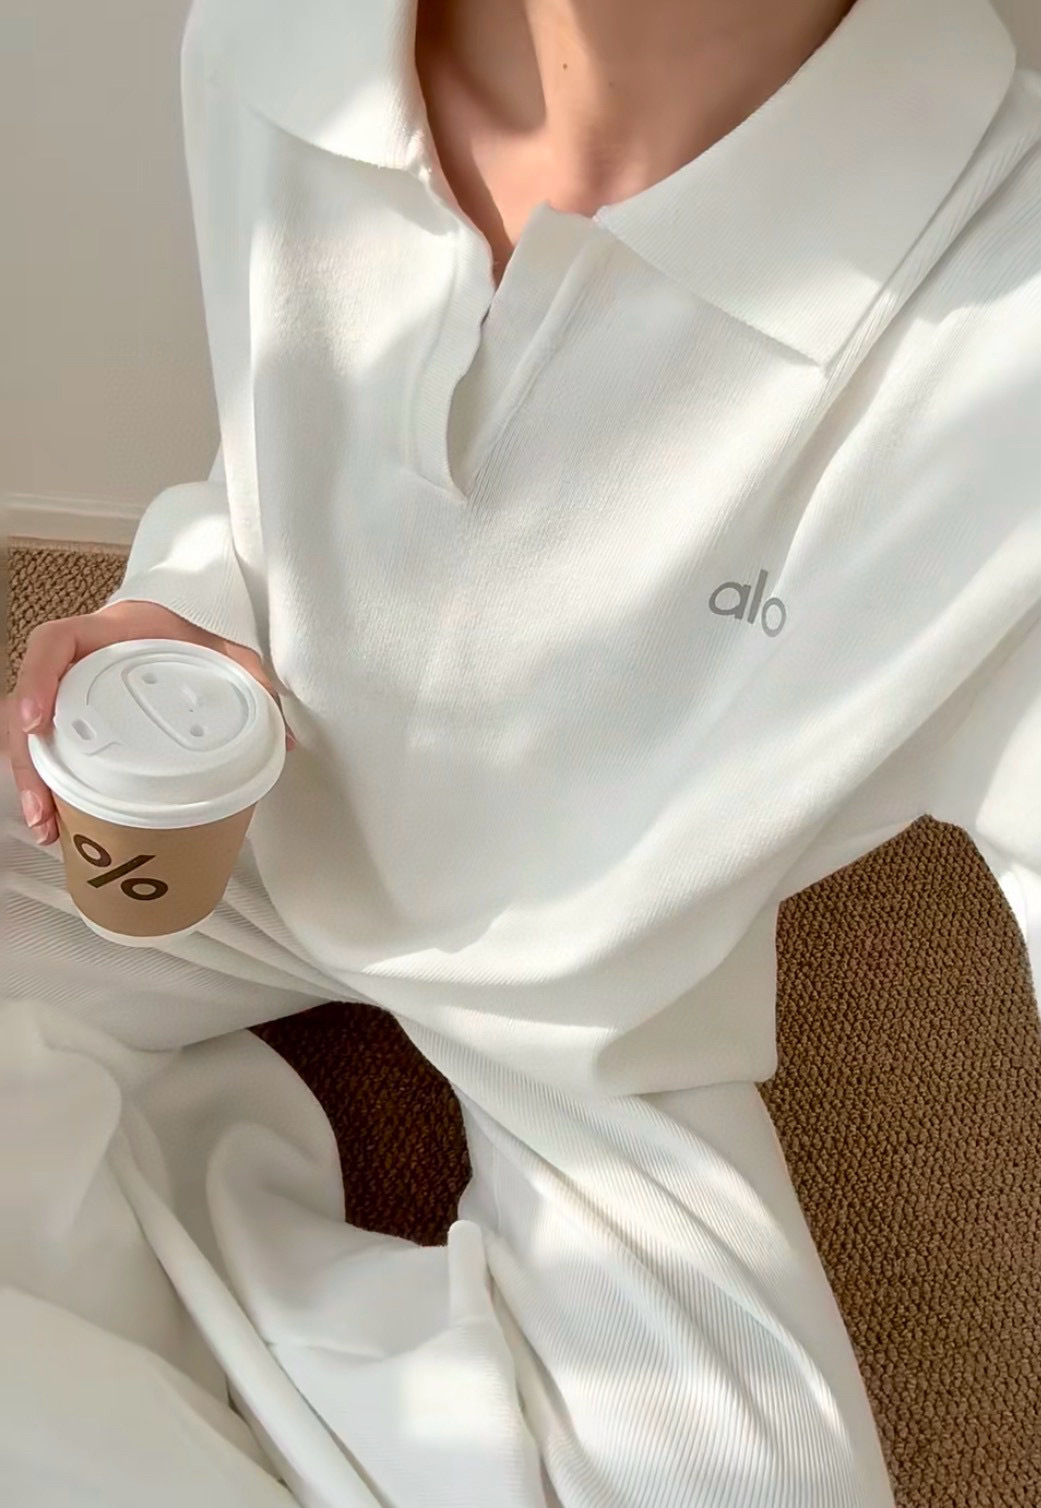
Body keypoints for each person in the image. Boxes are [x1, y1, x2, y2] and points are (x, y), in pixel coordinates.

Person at [3, 0, 1039, 1503]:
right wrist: (182, 606)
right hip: (256, 820)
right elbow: (273, 456)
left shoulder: (1005, 327)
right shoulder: (274, 40)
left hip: (592, 1007)